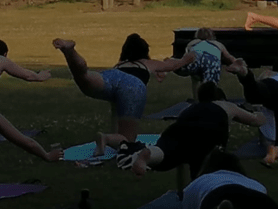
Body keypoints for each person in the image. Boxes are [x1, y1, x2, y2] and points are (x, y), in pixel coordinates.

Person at [53, 35, 196, 156]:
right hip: (133, 86)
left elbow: (117, 105)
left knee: (83, 76)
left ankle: (70, 51)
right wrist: (187, 58)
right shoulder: (147, 63)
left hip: (111, 75)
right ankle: (106, 139)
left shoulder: (120, 63)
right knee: (128, 140)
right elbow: (173, 66)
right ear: (145, 51)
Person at [116, 81, 267, 189]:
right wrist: (260, 112)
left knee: (167, 151)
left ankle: (149, 155)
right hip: (209, 134)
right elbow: (255, 121)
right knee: (205, 166)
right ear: (220, 98)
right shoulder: (226, 105)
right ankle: (200, 193)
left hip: (177, 130)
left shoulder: (189, 109)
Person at [172, 28, 237, 99]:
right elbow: (229, 57)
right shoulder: (218, 44)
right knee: (210, 87)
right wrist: (236, 62)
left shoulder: (192, 43)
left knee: (194, 77)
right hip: (211, 62)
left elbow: (186, 58)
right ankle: (210, 101)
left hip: (195, 59)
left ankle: (196, 100)